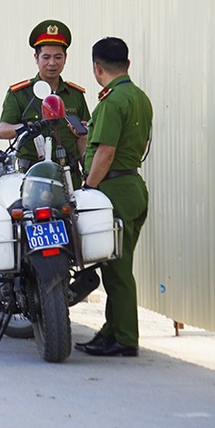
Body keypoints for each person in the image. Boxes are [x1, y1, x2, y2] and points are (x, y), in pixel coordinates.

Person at [77, 37, 153, 357]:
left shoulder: (110, 102)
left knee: (117, 271)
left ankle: (124, 338)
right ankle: (111, 331)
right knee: (117, 266)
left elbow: (105, 153)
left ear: (97, 68)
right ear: (128, 64)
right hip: (133, 187)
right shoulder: (139, 97)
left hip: (113, 191)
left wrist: (89, 189)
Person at [0, 20, 90, 183]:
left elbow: (83, 139)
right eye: (46, 57)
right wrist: (24, 128)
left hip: (69, 175)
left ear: (65, 58)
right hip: (33, 176)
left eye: (58, 57)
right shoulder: (20, 93)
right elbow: (2, 130)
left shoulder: (74, 94)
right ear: (36, 57)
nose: (52, 63)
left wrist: (88, 174)